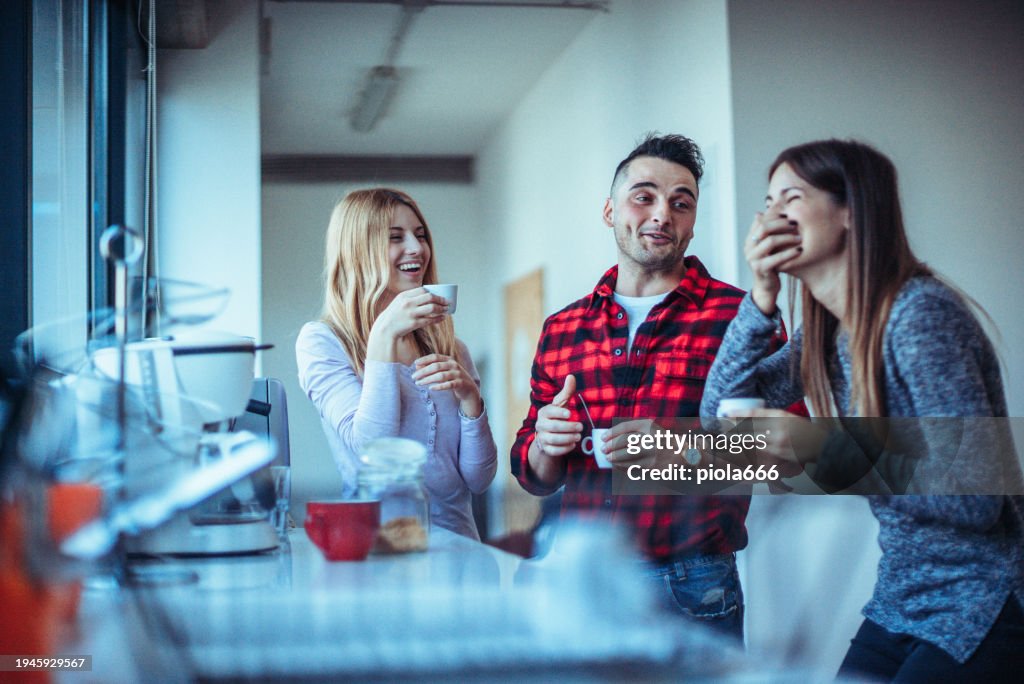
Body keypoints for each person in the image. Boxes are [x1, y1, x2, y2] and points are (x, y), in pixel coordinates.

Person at [700, 139, 1024, 680]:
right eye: (768, 200)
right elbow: (719, 412)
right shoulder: (825, 334)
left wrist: (824, 450)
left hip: (981, 601)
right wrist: (760, 296)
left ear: (851, 210)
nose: (770, 216)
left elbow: (977, 498)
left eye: (792, 197)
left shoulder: (918, 315)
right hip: (901, 597)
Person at [510, 133, 792, 641]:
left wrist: (670, 446)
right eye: (644, 197)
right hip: (583, 577)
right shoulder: (562, 326)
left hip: (694, 580)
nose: (663, 213)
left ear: (692, 219)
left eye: (681, 203)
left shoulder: (743, 317)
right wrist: (544, 445)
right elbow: (535, 474)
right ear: (610, 211)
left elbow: (794, 452)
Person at [296, 188, 497, 541]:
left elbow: (479, 480)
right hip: (381, 551)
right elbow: (371, 449)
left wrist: (471, 401)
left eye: (420, 236)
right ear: (358, 250)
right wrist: (383, 333)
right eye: (395, 237)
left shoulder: (451, 349)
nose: (417, 248)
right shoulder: (322, 342)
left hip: (463, 553)